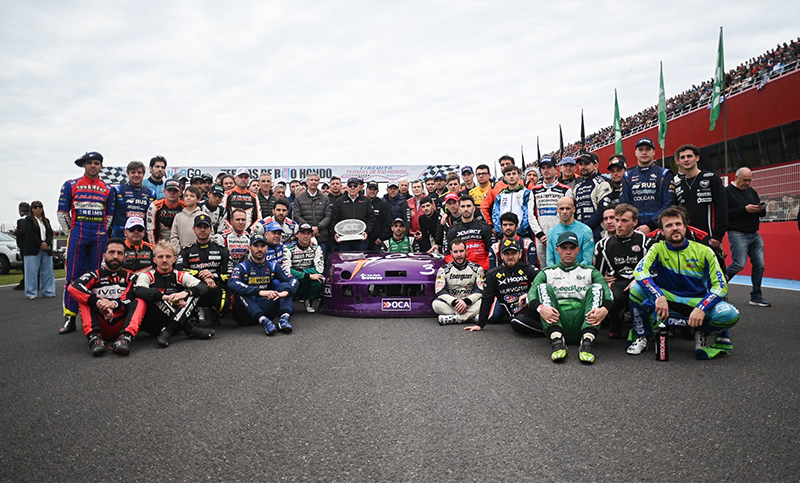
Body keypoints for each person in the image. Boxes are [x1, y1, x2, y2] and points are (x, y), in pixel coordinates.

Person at [629, 207, 740, 359]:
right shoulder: (657, 248)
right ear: (661, 231)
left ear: (685, 226)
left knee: (730, 314)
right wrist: (658, 295)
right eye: (668, 225)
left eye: (678, 224)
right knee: (635, 288)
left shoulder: (705, 251)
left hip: (697, 300)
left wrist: (702, 307)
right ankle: (641, 335)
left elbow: (720, 287)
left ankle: (701, 330)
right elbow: (640, 272)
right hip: (668, 298)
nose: (674, 228)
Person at [529, 231, 612, 364]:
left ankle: (587, 342)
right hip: (558, 322)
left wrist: (605, 309)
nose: (568, 252)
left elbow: (607, 291)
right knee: (542, 287)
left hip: (584, 322)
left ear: (578, 250)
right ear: (557, 250)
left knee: (597, 288)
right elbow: (531, 294)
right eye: (564, 248)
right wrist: (540, 308)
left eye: (572, 248)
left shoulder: (589, 271)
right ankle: (557, 341)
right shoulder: (548, 272)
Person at [58, 151, 115, 334]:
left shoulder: (108, 189)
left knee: (96, 277)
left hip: (98, 235)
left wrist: (101, 231)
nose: (93, 166)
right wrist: (72, 231)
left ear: (101, 166)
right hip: (78, 233)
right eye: (89, 162)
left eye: (96, 163)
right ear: (84, 165)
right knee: (73, 276)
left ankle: (93, 316)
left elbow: (109, 217)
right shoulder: (70, 185)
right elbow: (62, 213)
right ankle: (70, 317)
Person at [68, 238, 146, 356]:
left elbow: (128, 299)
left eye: (119, 253)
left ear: (125, 258)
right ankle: (94, 338)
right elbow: (73, 288)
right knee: (83, 299)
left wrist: (112, 305)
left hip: (122, 323)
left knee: (140, 300)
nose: (115, 256)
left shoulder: (132, 278)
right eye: (111, 252)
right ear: (104, 256)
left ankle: (125, 338)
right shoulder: (93, 275)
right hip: (100, 323)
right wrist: (98, 302)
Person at [134, 240, 215, 347]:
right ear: (154, 260)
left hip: (177, 321)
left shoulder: (180, 275)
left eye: (168, 256)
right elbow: (139, 290)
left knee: (194, 293)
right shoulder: (147, 276)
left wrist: (186, 293)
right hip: (155, 324)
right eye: (160, 257)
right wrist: (166, 298)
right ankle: (189, 329)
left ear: (174, 259)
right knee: (151, 294)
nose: (164, 260)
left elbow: (203, 287)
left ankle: (168, 331)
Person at [464, 239, 541, 335]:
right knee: (517, 322)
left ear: (520, 254)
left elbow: (545, 277)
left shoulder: (527, 268)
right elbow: (487, 300)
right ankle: (548, 331)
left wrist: (529, 294)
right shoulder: (492, 275)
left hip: (534, 307)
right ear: (501, 256)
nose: (510, 257)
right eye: (507, 254)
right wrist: (480, 324)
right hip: (518, 315)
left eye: (513, 253)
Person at [593, 204, 648, 339]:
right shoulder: (603, 245)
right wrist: (602, 279)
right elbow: (597, 274)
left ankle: (645, 326)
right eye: (617, 220)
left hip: (640, 281)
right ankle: (615, 323)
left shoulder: (645, 242)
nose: (618, 225)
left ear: (635, 222)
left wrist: (640, 280)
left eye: (624, 221)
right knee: (615, 295)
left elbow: (654, 270)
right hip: (618, 281)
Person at [228, 233, 299, 335]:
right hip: (245, 314)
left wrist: (286, 292)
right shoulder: (242, 266)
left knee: (285, 287)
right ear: (250, 248)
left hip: (267, 310)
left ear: (267, 248)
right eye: (256, 246)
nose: (259, 249)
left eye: (262, 246)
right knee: (239, 292)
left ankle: (284, 319)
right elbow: (232, 283)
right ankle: (263, 321)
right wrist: (260, 292)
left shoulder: (273, 266)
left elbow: (293, 280)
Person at [725, 167, 770, 307]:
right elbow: (725, 214)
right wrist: (745, 209)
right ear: (736, 177)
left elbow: (762, 215)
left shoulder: (751, 191)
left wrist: (761, 209)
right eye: (745, 180)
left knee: (759, 265)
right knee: (738, 264)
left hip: (754, 233)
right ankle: (716, 285)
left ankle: (756, 296)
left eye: (750, 180)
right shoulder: (727, 192)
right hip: (737, 233)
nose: (748, 183)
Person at [176, 214, 232, 326]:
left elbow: (230, 274)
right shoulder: (186, 251)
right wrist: (202, 276)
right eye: (199, 227)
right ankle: (192, 314)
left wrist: (213, 276)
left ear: (211, 229)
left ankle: (214, 311)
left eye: (205, 227)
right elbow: (179, 270)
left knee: (225, 305)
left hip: (215, 286)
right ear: (193, 229)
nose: (202, 230)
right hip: (194, 287)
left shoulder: (221, 249)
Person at [673, 144, 728, 248]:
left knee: (713, 264)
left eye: (689, 156)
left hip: (709, 237)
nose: (686, 160)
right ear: (678, 161)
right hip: (686, 238)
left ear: (697, 158)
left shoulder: (711, 178)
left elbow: (722, 207)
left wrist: (717, 235)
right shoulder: (679, 184)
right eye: (682, 157)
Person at [619, 137, 676, 234]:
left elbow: (669, 203)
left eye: (648, 149)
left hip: (660, 228)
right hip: (635, 229)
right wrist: (634, 224)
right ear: (635, 152)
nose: (644, 153)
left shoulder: (664, 174)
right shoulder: (627, 176)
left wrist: (650, 225)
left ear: (653, 152)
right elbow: (624, 205)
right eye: (641, 150)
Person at [528, 156, 573, 268]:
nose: (546, 170)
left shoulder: (565, 189)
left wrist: (558, 233)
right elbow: (530, 214)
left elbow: (570, 214)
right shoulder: (535, 190)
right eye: (543, 168)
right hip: (540, 237)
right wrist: (540, 234)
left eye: (549, 167)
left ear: (556, 169)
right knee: (544, 268)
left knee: (562, 266)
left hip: (560, 234)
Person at [433, 238, 484, 325]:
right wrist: (455, 302)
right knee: (436, 304)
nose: (459, 255)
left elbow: (480, 289)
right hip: (453, 303)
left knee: (485, 302)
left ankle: (457, 318)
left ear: (466, 251)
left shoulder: (477, 269)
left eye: (461, 251)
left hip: (470, 303)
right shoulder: (443, 270)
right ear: (451, 253)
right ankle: (471, 317)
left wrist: (466, 301)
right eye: (456, 252)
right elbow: (439, 290)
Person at [443, 195, 494, 270]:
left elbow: (492, 251)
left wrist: (483, 269)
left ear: (473, 208)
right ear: (459, 209)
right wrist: (459, 268)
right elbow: (447, 254)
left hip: (482, 269)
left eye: (468, 206)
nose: (466, 209)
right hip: (461, 272)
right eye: (463, 206)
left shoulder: (485, 227)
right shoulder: (452, 230)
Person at [284, 223, 325, 313]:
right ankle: (288, 301)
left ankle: (309, 300)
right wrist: (307, 275)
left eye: (308, 233)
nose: (306, 236)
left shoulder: (316, 248)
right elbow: (286, 270)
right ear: (297, 234)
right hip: (294, 279)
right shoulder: (288, 249)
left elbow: (319, 269)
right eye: (303, 233)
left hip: (306, 278)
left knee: (319, 280)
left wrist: (299, 272)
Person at [573, 152, 613, 242]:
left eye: (586, 164)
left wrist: (585, 227)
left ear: (595, 165)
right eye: (581, 164)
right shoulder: (577, 186)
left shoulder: (602, 183)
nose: (583, 167)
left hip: (598, 234)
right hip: (581, 234)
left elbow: (603, 209)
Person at [292, 171, 332, 261]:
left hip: (321, 236)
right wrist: (309, 229)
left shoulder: (325, 198)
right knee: (305, 262)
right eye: (311, 180)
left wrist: (318, 227)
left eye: (316, 180)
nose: (314, 182)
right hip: (304, 237)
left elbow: (328, 215)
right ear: (307, 182)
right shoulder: (299, 198)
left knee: (321, 261)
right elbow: (297, 215)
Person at [110, 161, 155, 238]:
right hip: (120, 234)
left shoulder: (151, 193)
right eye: (133, 172)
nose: (136, 175)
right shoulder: (117, 190)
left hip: (141, 235)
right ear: (128, 173)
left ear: (143, 174)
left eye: (139, 172)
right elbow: (109, 214)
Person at [22, 200, 56, 300]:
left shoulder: (46, 220)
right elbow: (29, 233)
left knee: (48, 272)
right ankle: (31, 292)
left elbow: (50, 233)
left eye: (40, 207)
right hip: (33, 249)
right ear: (31, 209)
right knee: (31, 272)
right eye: (35, 207)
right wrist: (41, 243)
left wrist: (47, 243)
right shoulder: (28, 220)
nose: (38, 209)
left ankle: (48, 291)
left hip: (46, 250)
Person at [546, 197, 594, 267]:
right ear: (557, 210)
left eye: (568, 208)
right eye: (561, 209)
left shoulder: (585, 230)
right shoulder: (551, 232)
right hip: (557, 276)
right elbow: (549, 260)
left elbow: (588, 260)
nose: (564, 212)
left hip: (580, 275)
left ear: (574, 209)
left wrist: (572, 273)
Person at [331, 178, 374, 252]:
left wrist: (367, 232)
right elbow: (334, 219)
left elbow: (371, 218)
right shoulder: (339, 201)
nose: (352, 188)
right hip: (344, 239)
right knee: (345, 262)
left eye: (355, 186)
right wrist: (335, 233)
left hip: (361, 239)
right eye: (350, 186)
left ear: (359, 187)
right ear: (347, 187)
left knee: (360, 261)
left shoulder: (366, 201)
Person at [491, 164, 530, 237]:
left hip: (522, 234)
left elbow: (528, 213)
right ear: (504, 178)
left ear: (519, 175)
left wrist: (520, 229)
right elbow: (495, 214)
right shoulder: (500, 195)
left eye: (514, 174)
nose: (511, 176)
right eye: (508, 174)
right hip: (504, 234)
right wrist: (500, 230)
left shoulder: (526, 193)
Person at [480, 155, 515, 226]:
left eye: (508, 164)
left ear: (513, 165)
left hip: (524, 231)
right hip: (502, 230)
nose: (505, 166)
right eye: (502, 165)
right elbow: (483, 208)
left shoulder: (525, 184)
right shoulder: (494, 187)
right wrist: (490, 225)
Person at [13, 202, 30, 291]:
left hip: (24, 245)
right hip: (30, 245)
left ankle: (25, 283)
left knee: (26, 265)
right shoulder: (32, 219)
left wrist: (15, 232)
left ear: (20, 210)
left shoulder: (22, 220)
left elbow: (23, 232)